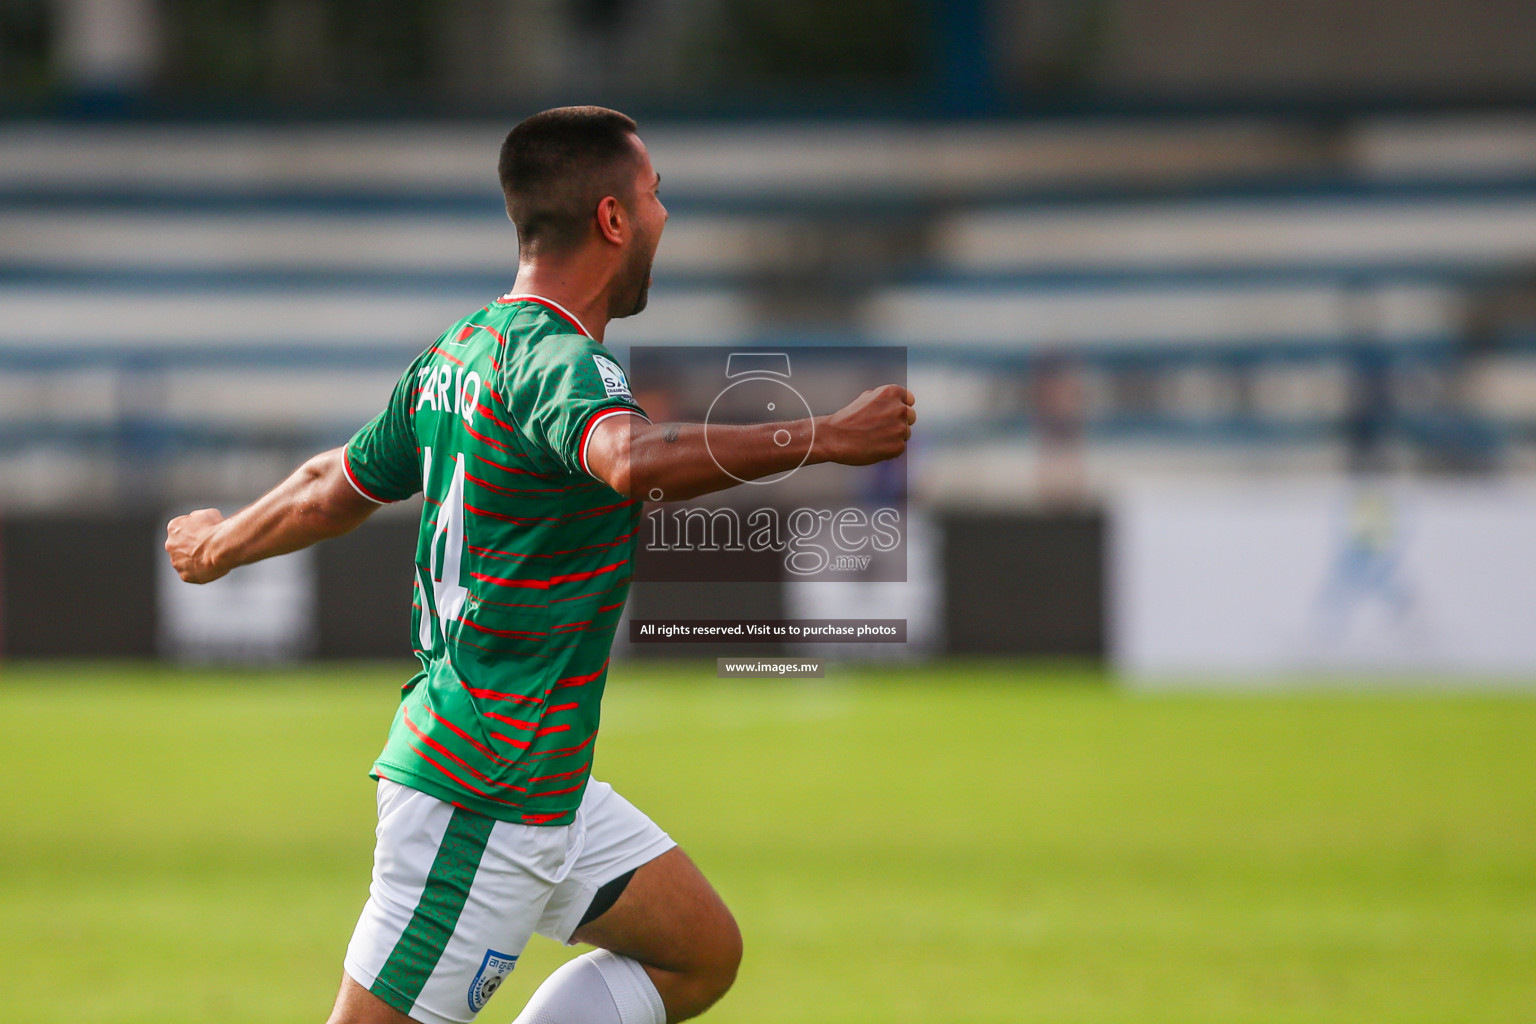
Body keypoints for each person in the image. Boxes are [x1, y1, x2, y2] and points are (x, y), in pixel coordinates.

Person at [164, 105, 915, 1024]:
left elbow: (335, 484)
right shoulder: (563, 363)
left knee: (698, 955)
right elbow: (629, 459)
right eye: (654, 195)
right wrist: (828, 436)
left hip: (540, 781)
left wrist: (217, 546)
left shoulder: (461, 350)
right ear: (611, 219)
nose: (664, 217)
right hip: (480, 789)